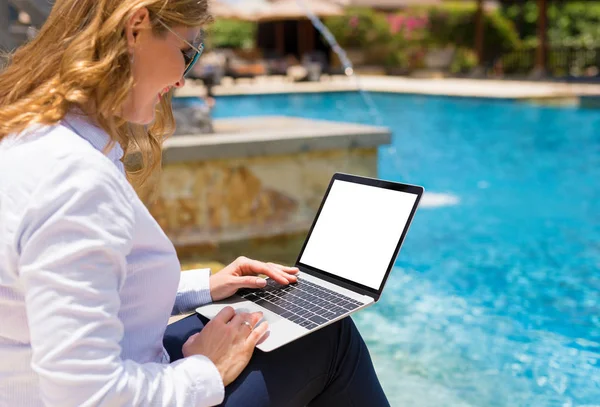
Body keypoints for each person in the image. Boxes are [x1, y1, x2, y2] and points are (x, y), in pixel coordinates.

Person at [0, 1, 390, 406]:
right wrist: (208, 369)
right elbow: (87, 395)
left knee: (267, 323)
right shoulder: (74, 179)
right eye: (187, 52)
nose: (183, 79)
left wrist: (206, 286)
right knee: (331, 339)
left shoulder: (31, 139)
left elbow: (74, 299)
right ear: (136, 28)